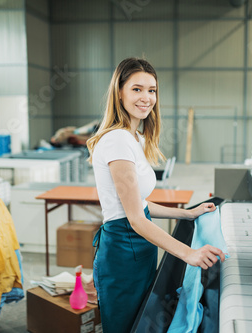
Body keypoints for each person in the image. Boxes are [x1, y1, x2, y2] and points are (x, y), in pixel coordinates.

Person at [86, 57, 226, 333]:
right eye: (137, 89)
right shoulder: (117, 140)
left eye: (152, 90)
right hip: (123, 252)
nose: (146, 97)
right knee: (124, 326)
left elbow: (138, 203)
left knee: (141, 324)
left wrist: (187, 213)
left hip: (140, 248)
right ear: (120, 92)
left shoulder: (133, 138)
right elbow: (136, 219)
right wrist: (189, 254)